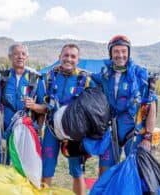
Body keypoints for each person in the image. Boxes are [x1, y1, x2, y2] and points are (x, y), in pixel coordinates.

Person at [91, 35, 157, 175]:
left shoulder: (140, 75)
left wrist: (148, 137)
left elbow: (151, 106)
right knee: (105, 172)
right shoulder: (104, 75)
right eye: (116, 51)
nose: (120, 55)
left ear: (128, 53)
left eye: (123, 51)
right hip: (111, 130)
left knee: (136, 174)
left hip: (134, 132)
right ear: (111, 54)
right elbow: (85, 80)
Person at [41, 43, 95, 195]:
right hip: (51, 129)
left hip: (73, 134)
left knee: (77, 172)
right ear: (59, 57)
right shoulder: (49, 77)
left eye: (73, 56)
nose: (69, 59)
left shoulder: (85, 79)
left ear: (78, 60)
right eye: (66, 55)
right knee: (46, 169)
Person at [0, 43, 45, 165]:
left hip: (26, 130)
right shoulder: (0, 76)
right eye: (16, 54)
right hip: (4, 130)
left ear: (27, 57)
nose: (20, 57)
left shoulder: (36, 79)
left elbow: (44, 109)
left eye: (23, 54)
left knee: (24, 166)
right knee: (1, 165)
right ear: (10, 57)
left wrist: (34, 106)